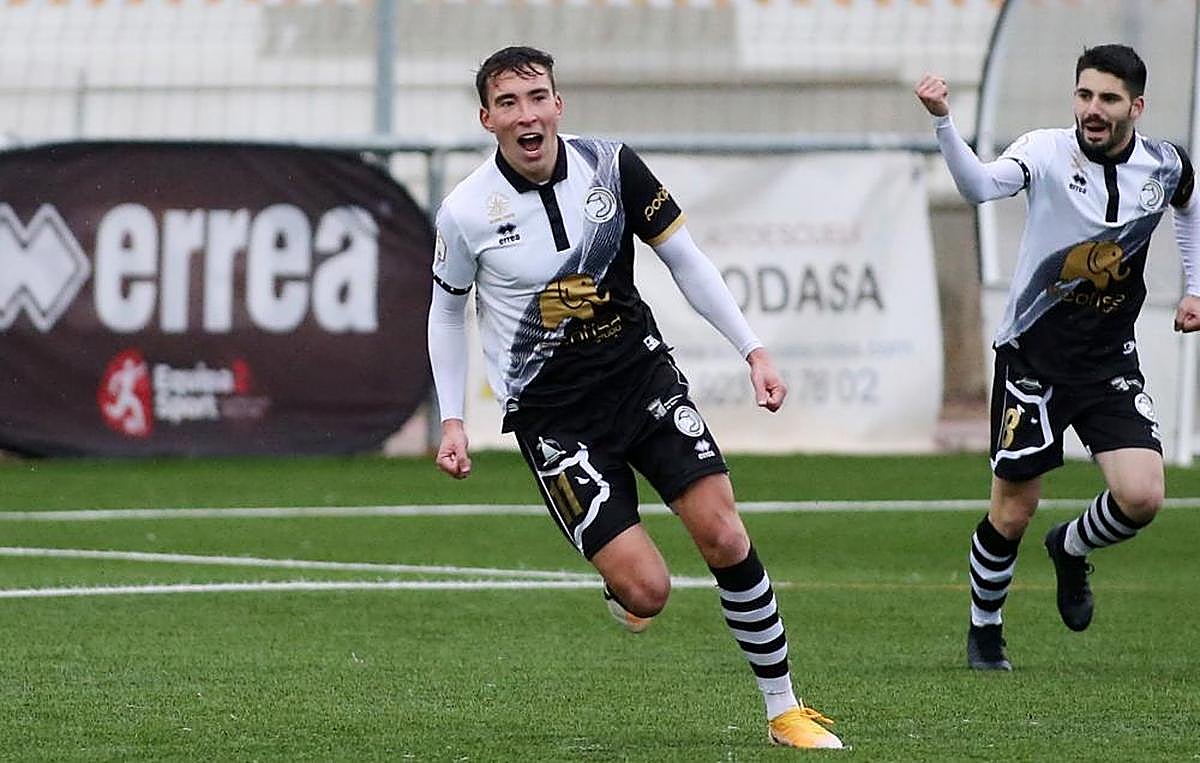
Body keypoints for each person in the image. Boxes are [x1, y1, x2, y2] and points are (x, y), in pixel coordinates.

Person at [426, 46, 843, 749]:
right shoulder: (466, 211)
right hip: (552, 417)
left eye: (537, 97)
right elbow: (445, 312)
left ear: (560, 104)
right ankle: (626, 591)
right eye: (509, 103)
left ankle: (783, 709)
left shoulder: (613, 167)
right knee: (648, 589)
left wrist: (754, 349)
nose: (526, 115)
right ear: (486, 118)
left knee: (723, 531)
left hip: (641, 380)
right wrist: (454, 418)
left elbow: (685, 258)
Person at [915, 44, 1200, 671]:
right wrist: (943, 121)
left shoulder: (1163, 163)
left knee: (1144, 496)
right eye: (1084, 95)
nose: (1092, 110)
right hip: (1033, 358)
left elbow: (1188, 203)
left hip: (1107, 361)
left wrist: (1194, 285)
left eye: (1107, 99)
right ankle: (985, 630)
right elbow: (978, 187)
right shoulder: (1045, 150)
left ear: (1137, 106)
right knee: (1012, 508)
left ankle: (1069, 549)